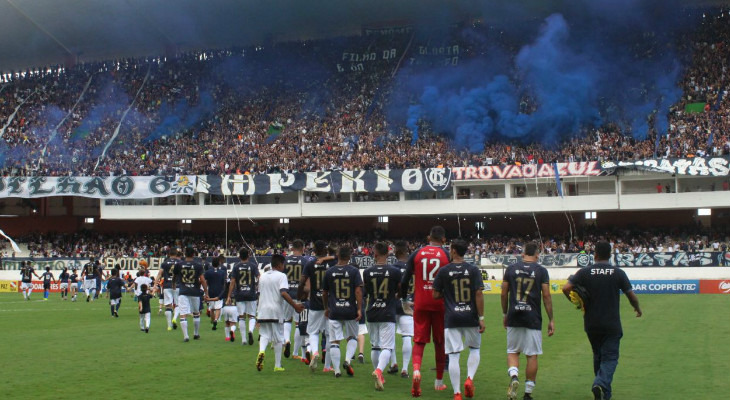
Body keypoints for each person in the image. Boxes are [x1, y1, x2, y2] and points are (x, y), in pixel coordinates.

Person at [562, 241, 642, 400]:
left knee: (598, 355)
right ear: (610, 255)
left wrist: (576, 303)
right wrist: (637, 308)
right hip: (611, 323)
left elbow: (566, 288)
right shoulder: (618, 273)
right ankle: (600, 383)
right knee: (610, 357)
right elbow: (630, 295)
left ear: (595, 254)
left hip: (591, 322)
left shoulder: (584, 272)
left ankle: (605, 393)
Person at [400, 226, 450, 396]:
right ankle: (439, 381)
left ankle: (415, 370)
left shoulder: (417, 253)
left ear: (429, 237)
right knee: (440, 342)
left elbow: (405, 279)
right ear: (443, 239)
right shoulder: (446, 255)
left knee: (419, 341)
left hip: (420, 302)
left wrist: (404, 299)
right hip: (440, 303)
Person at [501, 241, 555, 400]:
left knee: (513, 351)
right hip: (533, 317)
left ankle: (514, 376)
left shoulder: (510, 269)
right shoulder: (541, 271)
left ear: (523, 254)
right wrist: (551, 319)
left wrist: (505, 314)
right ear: (537, 255)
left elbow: (504, 293)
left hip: (514, 315)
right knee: (532, 355)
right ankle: (528, 393)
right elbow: (546, 296)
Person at [433, 239, 485, 400]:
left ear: (454, 251)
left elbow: (435, 294)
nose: (449, 251)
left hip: (452, 318)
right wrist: (481, 317)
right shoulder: (474, 270)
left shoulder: (443, 271)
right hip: (470, 316)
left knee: (454, 355)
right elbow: (478, 293)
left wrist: (447, 295)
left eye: (450, 249)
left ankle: (457, 393)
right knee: (474, 349)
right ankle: (469, 378)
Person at [256, 254, 305, 372]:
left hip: (263, 310)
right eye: (283, 265)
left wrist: (257, 313)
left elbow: (259, 294)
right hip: (276, 311)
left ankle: (262, 351)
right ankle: (277, 365)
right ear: (279, 264)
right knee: (278, 338)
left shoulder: (262, 276)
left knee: (264, 334)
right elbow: (283, 293)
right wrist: (295, 305)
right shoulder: (282, 276)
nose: (284, 267)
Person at [363, 242, 402, 391]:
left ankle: (379, 374)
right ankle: (379, 370)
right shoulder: (395, 271)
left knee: (375, 345)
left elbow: (367, 291)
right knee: (387, 346)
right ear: (388, 254)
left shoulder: (367, 272)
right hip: (388, 311)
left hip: (372, 310)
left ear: (375, 254)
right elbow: (400, 290)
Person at [322, 244, 363, 378]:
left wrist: (326, 308)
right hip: (350, 310)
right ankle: (347, 360)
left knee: (334, 341)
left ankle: (337, 370)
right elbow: (358, 291)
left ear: (338, 256)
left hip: (334, 310)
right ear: (350, 256)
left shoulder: (329, 271)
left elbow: (325, 292)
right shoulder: (354, 271)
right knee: (352, 337)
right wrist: (359, 308)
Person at [298, 240, 336, 371]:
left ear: (314, 250)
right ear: (325, 250)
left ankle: (315, 352)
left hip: (314, 302)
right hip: (330, 303)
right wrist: (327, 257)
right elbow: (339, 256)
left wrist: (299, 296)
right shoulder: (331, 262)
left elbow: (302, 281)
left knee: (313, 332)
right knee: (330, 335)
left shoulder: (309, 263)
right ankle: (327, 366)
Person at [283, 239, 313, 358]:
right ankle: (295, 352)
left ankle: (286, 341)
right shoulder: (306, 261)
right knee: (298, 323)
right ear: (303, 248)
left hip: (287, 294)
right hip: (300, 295)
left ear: (292, 248)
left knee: (286, 320)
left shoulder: (285, 261)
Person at [389, 240, 414, 378]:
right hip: (409, 305)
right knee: (406, 337)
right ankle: (405, 369)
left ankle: (394, 364)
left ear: (396, 252)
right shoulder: (414, 268)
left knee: (390, 336)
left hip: (393, 305)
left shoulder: (392, 268)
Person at [174, 247, 209, 342]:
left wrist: (173, 284)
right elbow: (202, 280)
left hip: (183, 292)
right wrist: (206, 292)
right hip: (195, 292)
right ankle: (196, 333)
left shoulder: (179, 264)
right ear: (194, 254)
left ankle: (186, 336)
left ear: (185, 254)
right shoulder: (198, 265)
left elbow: (174, 276)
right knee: (196, 313)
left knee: (183, 314)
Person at [228, 248, 260, 345]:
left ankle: (244, 339)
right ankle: (250, 330)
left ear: (239, 256)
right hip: (251, 294)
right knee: (252, 316)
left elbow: (232, 281)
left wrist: (229, 295)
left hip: (240, 294)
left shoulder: (236, 267)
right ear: (249, 255)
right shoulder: (253, 266)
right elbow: (259, 278)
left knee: (241, 317)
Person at [157, 249, 180, 331]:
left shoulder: (165, 263)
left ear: (169, 254)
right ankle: (175, 318)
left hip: (167, 286)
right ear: (176, 254)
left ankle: (169, 325)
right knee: (177, 304)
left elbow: (159, 274)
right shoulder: (179, 262)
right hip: (177, 285)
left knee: (168, 305)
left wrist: (155, 285)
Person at [204, 255, 227, 331]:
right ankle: (216, 319)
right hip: (219, 291)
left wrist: (205, 292)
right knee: (218, 308)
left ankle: (212, 320)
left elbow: (205, 282)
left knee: (212, 308)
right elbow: (224, 282)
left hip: (211, 291)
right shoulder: (222, 272)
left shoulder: (208, 272)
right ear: (219, 263)